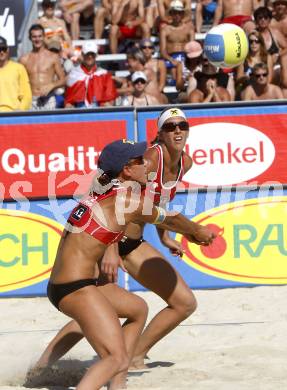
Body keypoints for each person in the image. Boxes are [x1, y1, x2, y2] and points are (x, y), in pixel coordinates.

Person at [29, 108, 217, 372]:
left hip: (135, 245)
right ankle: (41, 367)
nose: (177, 130)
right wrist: (110, 248)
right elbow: (103, 191)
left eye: (182, 125)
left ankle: (134, 357)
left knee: (184, 303)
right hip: (110, 243)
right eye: (171, 126)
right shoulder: (150, 159)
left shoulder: (185, 163)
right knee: (91, 311)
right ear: (160, 133)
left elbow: (158, 205)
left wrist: (166, 237)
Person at [19, 24, 66, 111]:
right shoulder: (24, 59)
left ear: (44, 37)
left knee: (50, 124)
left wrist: (52, 85)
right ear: (30, 38)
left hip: (48, 99)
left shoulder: (53, 57)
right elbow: (18, 82)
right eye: (34, 37)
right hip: (31, 99)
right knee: (31, 124)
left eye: (40, 36)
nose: (37, 39)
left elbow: (63, 80)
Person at [65, 40, 117, 108]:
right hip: (79, 111)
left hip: (99, 110)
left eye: (92, 54)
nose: (90, 56)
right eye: (87, 54)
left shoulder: (104, 74)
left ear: (96, 55)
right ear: (83, 54)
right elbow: (69, 101)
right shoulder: (74, 74)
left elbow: (110, 99)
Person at [160, 0, 194, 84]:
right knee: (175, 76)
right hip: (171, 57)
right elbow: (163, 51)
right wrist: (171, 60)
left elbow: (193, 48)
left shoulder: (189, 28)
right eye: (174, 13)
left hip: (185, 57)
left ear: (182, 14)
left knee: (188, 77)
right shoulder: (165, 29)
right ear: (171, 14)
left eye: (179, 13)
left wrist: (188, 61)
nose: (177, 15)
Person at [0, 36, 32, 112]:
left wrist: (20, 111)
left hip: (12, 114)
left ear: (7, 50)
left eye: (3, 49)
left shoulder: (18, 68)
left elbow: (27, 95)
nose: (1, 52)